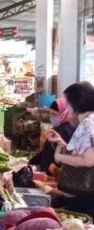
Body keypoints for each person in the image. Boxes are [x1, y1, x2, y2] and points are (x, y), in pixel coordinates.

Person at [46, 82, 94, 214]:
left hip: (85, 194)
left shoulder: (88, 123)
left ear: (77, 103)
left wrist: (59, 157)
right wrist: (62, 143)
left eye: (67, 102)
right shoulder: (90, 121)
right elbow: (84, 152)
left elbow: (89, 160)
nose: (66, 106)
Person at [29, 98, 76, 174]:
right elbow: (47, 150)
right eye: (50, 113)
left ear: (64, 113)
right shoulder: (63, 128)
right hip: (53, 171)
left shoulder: (63, 131)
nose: (51, 117)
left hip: (54, 173)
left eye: (54, 114)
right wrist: (32, 161)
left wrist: (33, 163)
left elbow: (53, 154)